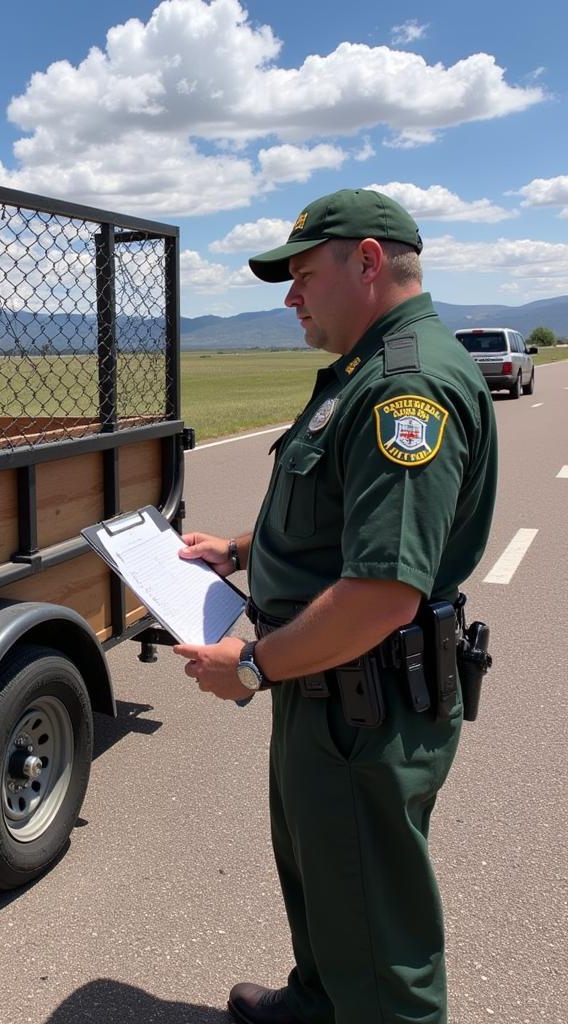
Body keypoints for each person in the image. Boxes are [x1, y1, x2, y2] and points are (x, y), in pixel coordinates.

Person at [172, 189, 498, 1024]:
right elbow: (338, 520)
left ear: (367, 261)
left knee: (377, 927)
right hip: (326, 690)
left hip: (365, 699)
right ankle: (318, 1001)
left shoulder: (406, 389)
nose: (290, 296)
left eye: (302, 274)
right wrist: (239, 550)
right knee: (324, 878)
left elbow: (384, 593)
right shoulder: (362, 373)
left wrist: (249, 665)